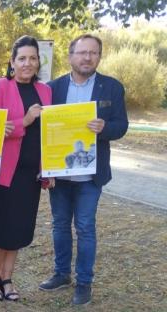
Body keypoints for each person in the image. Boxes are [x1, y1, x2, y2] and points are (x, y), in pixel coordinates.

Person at [39, 34, 128, 305]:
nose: (87, 57)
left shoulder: (111, 87)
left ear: (99, 57)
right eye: (82, 52)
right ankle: (61, 273)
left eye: (93, 53)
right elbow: (43, 131)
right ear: (70, 56)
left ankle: (84, 282)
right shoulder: (52, 88)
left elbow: (121, 126)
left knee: (86, 227)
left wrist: (105, 129)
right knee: (60, 225)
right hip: (60, 173)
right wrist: (46, 169)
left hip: (91, 174)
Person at [0, 36, 53, 302]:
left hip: (31, 174)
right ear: (12, 62)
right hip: (4, 171)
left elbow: (49, 133)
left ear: (39, 62)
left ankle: (8, 278)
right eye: (22, 58)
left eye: (32, 58)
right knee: (2, 226)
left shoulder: (46, 91)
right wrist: (25, 120)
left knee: (21, 227)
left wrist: (49, 169)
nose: (27, 63)